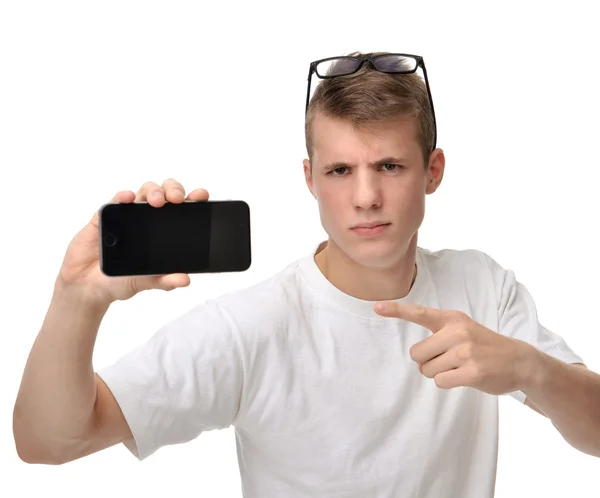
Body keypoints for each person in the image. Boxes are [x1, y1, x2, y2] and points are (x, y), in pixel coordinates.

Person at [12, 51, 600, 497]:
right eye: (341, 169)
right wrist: (77, 299)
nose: (366, 196)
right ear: (310, 179)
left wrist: (529, 367)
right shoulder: (250, 327)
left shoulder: (484, 288)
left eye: (390, 165)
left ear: (433, 170)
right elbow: (48, 441)